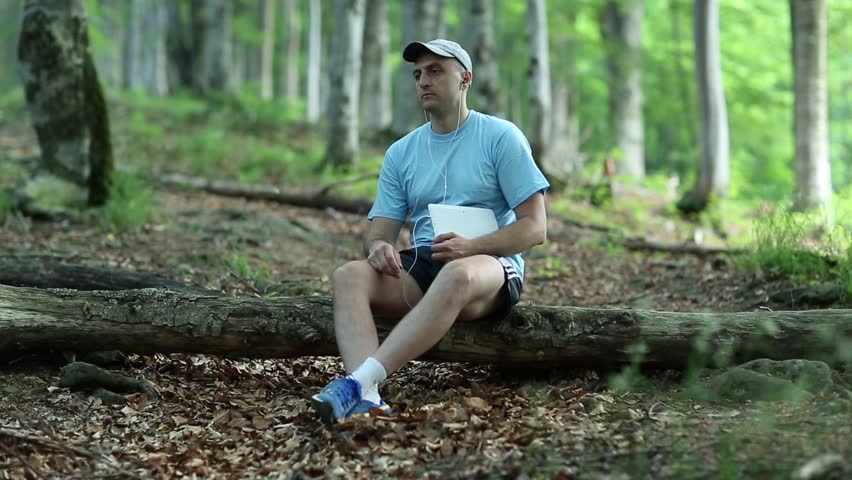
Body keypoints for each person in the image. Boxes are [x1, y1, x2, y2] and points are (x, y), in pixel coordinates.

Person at [310, 39, 549, 426]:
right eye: (418, 73)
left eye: (436, 70)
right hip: (424, 264)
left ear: (465, 79)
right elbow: (379, 231)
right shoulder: (401, 152)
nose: (423, 80)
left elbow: (535, 228)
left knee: (458, 272)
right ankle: (367, 399)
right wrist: (378, 248)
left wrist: (472, 246)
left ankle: (358, 382)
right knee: (349, 275)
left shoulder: (501, 137)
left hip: (490, 268)